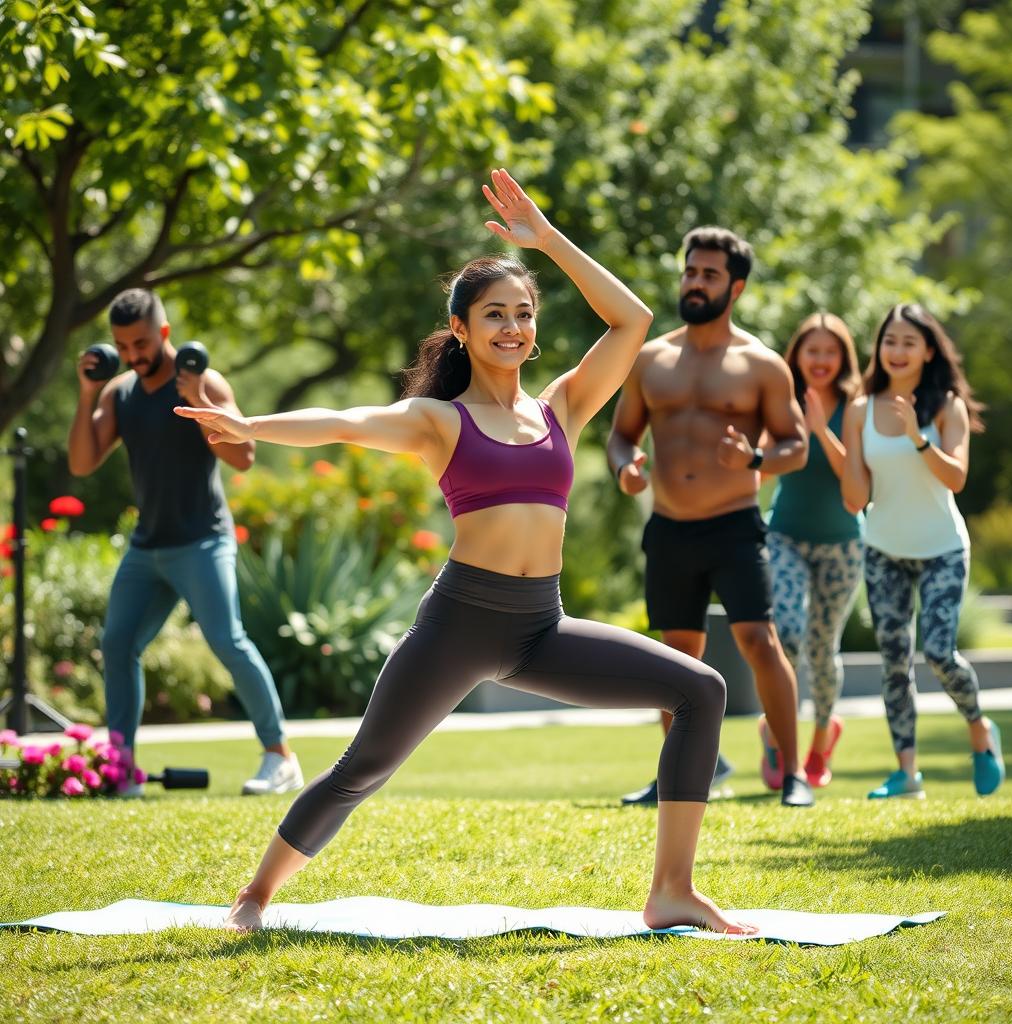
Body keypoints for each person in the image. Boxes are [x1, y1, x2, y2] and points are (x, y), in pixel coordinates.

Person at [177, 170, 757, 935]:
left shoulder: (563, 409)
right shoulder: (438, 421)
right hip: (459, 623)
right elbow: (346, 420)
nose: (511, 327)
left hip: (540, 629)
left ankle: (673, 891)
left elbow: (632, 320)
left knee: (701, 690)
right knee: (364, 769)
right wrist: (252, 427)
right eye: (494, 315)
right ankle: (255, 895)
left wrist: (545, 239)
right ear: (461, 328)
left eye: (523, 314)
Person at [608, 226, 814, 808]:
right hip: (670, 526)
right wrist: (626, 469)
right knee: (676, 654)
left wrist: (752, 457)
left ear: (737, 286)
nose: (695, 283)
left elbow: (795, 446)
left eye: (710, 275)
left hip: (733, 523)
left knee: (758, 639)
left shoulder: (762, 364)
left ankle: (793, 773)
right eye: (690, 272)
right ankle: (679, 778)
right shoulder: (652, 358)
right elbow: (621, 437)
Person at [68, 289, 302, 796]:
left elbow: (244, 458)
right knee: (118, 644)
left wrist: (196, 398)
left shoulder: (204, 381)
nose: (134, 355)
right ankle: (120, 769)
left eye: (142, 342)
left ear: (165, 333)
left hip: (202, 542)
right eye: (123, 346)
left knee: (228, 642)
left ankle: (279, 757)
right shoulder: (120, 393)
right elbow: (82, 464)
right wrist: (88, 393)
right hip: (147, 547)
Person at [841, 303, 1005, 799]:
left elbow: (955, 477)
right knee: (894, 659)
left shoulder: (945, 405)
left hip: (941, 549)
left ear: (928, 349)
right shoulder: (858, 409)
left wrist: (916, 437)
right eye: (889, 341)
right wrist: (836, 443)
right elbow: (855, 497)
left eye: (909, 342)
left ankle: (979, 727)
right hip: (883, 548)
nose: (897, 350)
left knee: (937, 650)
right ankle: (907, 773)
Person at [765, 312, 863, 787]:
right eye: (812, 350)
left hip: (844, 545)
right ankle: (776, 728)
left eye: (830, 351)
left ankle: (822, 737)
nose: (821, 360)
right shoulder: (779, 399)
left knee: (823, 649)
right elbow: (759, 463)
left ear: (843, 356)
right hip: (784, 535)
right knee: (786, 630)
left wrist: (823, 428)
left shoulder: (858, 405)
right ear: (797, 355)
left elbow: (858, 483)